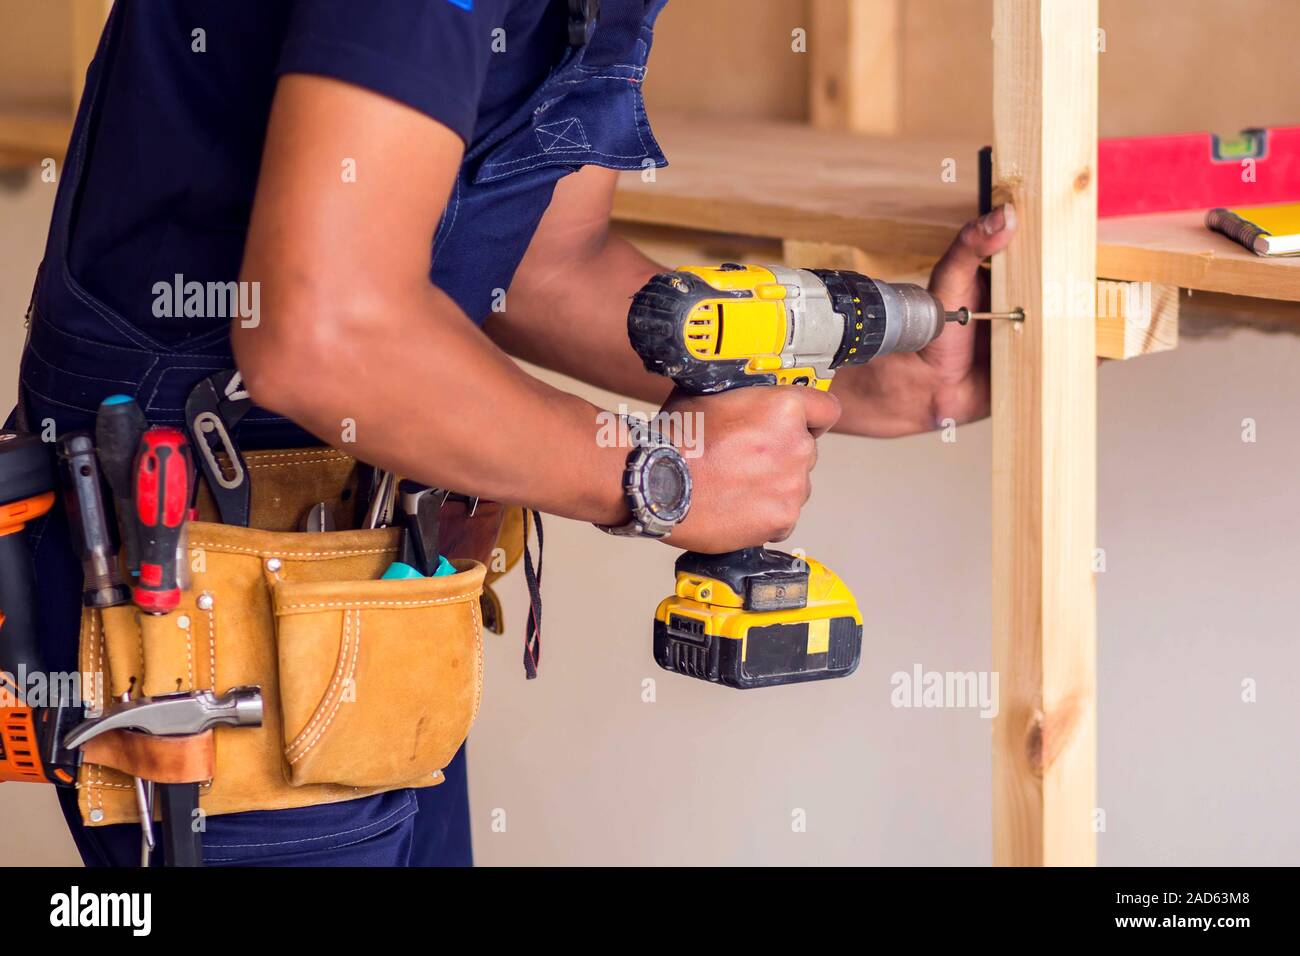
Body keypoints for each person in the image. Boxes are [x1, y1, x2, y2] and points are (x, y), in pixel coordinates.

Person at [16, 0, 1015, 867]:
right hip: (202, 585)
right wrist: (658, 475)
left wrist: (873, 377)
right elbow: (319, 334)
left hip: (373, 595)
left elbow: (536, 260)